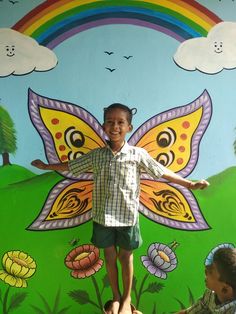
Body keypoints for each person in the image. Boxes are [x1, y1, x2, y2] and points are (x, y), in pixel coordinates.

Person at [31, 103, 209, 314]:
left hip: (127, 218)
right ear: (104, 125)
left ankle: (126, 299)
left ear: (129, 127)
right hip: (102, 217)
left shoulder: (137, 154)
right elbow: (71, 165)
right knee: (109, 257)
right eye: (110, 121)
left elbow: (161, 172)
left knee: (126, 257)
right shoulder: (97, 155)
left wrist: (188, 184)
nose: (115, 126)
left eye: (120, 122)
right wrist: (46, 166)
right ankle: (115, 296)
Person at [177, 247, 236, 313]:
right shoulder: (210, 295)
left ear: (225, 289)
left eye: (211, 272)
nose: (206, 269)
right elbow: (190, 312)